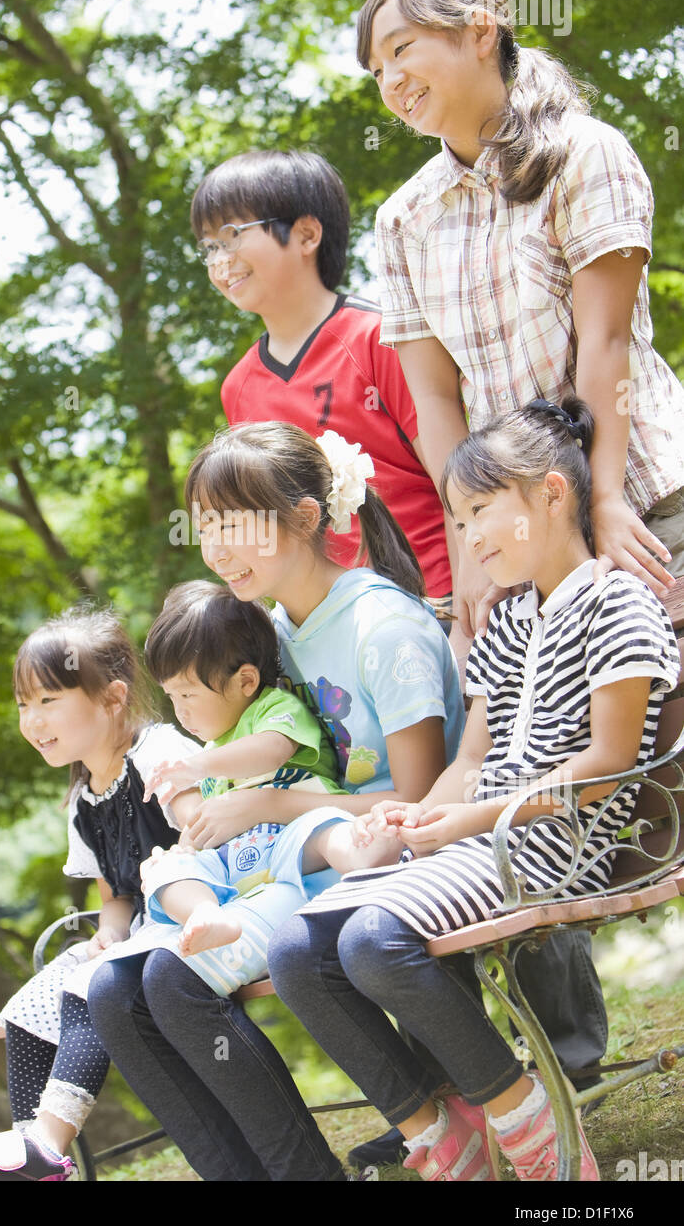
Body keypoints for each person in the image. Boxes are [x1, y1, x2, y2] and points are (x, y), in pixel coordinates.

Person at [268, 398, 680, 1182]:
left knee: (371, 943)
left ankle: (530, 1130)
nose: (471, 538)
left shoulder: (619, 602)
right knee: (296, 953)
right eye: (459, 520)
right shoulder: (506, 622)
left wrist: (464, 822)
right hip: (485, 835)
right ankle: (438, 1130)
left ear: (553, 494)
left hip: (560, 842)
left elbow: (605, 764)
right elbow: (470, 759)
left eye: (482, 511)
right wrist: (423, 813)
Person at [87, 421, 465, 1181]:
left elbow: (422, 803)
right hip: (301, 865)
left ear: (304, 516)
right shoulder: (271, 633)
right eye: (206, 530)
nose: (217, 549)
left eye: (234, 525)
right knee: (114, 993)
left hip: (389, 853)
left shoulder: (380, 627)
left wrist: (266, 808)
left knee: (172, 980)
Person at [357, 0, 684, 641]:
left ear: (481, 31)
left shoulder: (584, 154)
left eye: (401, 49)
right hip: (522, 546)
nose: (390, 81)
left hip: (643, 501)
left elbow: (607, 342)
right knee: (571, 746)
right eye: (376, 70)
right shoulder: (402, 220)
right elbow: (439, 400)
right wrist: (469, 539)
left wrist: (604, 499)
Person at [0, 605, 200, 1182]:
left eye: (49, 700)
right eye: (24, 704)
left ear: (113, 697)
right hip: (143, 928)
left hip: (196, 911)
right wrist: (109, 931)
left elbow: (208, 838)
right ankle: (32, 1163)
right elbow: (116, 893)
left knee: (86, 985)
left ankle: (46, 1146)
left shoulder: (158, 755)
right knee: (25, 1009)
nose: (32, 719)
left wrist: (133, 932)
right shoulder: (81, 801)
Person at [191, 148, 453, 617]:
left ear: (307, 234)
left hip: (432, 603)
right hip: (324, 629)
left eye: (231, 236)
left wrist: (469, 604)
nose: (219, 260)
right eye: (208, 247)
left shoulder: (383, 338)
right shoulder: (238, 388)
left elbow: (458, 480)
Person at [139, 579, 403, 971]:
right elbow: (213, 821)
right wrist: (185, 846)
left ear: (245, 681)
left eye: (189, 695)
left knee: (324, 827)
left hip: (294, 830)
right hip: (243, 861)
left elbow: (271, 750)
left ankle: (361, 851)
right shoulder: (213, 749)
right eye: (172, 697)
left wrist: (199, 766)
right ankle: (205, 913)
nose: (181, 712)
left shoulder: (273, 708)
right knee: (164, 870)